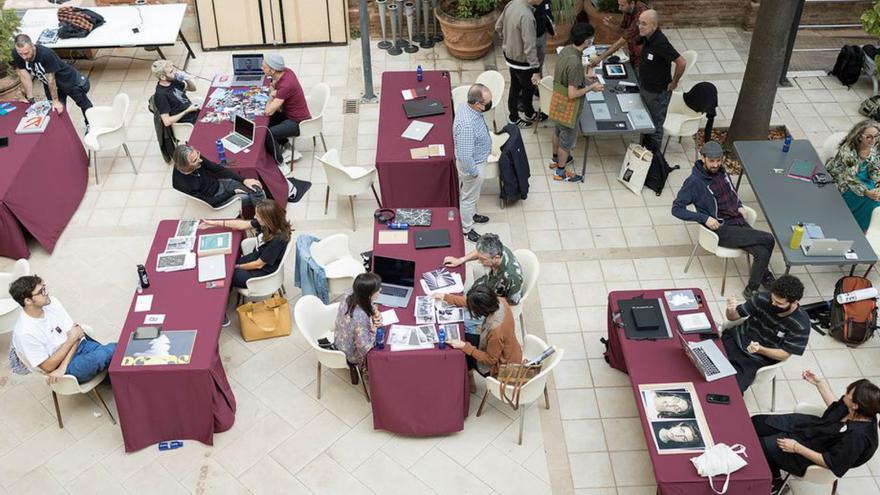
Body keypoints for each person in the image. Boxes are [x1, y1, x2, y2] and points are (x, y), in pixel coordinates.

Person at [672, 141, 776, 298]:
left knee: (762, 253)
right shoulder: (694, 182)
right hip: (721, 229)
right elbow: (676, 209)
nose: (716, 164)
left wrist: (739, 205)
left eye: (719, 160)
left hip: (737, 221)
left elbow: (731, 192)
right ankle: (763, 279)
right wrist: (704, 218)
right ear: (703, 158)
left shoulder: (722, 172)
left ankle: (752, 288)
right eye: (712, 161)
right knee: (768, 239)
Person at [752, 371, 879, 495]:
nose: (844, 394)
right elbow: (836, 408)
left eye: (847, 394)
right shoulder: (861, 411)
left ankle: (776, 480)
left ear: (856, 405)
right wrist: (818, 384)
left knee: (759, 446)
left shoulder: (858, 438)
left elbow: (831, 462)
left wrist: (796, 447)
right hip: (813, 428)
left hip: (814, 450)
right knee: (757, 423)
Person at [9, 276, 115, 383]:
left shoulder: (52, 302)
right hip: (63, 367)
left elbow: (77, 334)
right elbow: (48, 367)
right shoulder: (25, 333)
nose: (47, 293)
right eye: (41, 291)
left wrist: (63, 366)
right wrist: (64, 362)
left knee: (113, 355)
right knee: (111, 351)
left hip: (77, 348)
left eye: (44, 288)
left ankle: (114, 381)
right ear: (28, 300)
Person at [721, 275, 810, 393]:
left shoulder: (800, 325)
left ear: (794, 302)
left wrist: (760, 350)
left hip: (755, 359)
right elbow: (732, 317)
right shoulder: (761, 298)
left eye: (779, 303)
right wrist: (730, 310)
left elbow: (784, 354)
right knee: (700, 361)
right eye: (772, 299)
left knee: (730, 392)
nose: (773, 304)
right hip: (734, 339)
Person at [436, 284, 523, 392]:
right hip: (512, 351)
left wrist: (465, 346)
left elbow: (489, 360)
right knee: (466, 338)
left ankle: (468, 376)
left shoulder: (495, 332)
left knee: (464, 349)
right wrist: (446, 297)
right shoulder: (500, 301)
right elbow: (471, 303)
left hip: (501, 367)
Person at [549, 23, 603, 183]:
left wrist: (582, 78)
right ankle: (561, 171)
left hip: (557, 100)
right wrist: (591, 87)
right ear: (587, 41)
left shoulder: (566, 51)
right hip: (569, 107)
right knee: (566, 142)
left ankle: (554, 160)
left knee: (557, 131)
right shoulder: (575, 63)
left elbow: (566, 77)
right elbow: (573, 94)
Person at [200, 200, 292, 289]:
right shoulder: (268, 224)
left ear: (267, 219)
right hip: (254, 258)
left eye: (258, 216)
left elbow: (258, 264)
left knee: (228, 273)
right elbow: (242, 224)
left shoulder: (277, 241)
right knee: (226, 264)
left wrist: (236, 267)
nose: (255, 217)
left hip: (261, 272)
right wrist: (213, 224)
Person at [633, 10, 686, 152]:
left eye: (644, 24)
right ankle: (643, 149)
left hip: (657, 93)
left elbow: (681, 62)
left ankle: (654, 158)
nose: (640, 26)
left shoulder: (660, 43)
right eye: (639, 23)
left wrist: (674, 82)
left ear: (655, 26)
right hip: (645, 86)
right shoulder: (647, 37)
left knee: (655, 126)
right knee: (646, 121)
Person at [13, 34, 93, 127]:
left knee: (84, 104)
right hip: (48, 84)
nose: (24, 57)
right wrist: (29, 97)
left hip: (68, 80)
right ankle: (66, 131)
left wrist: (55, 100)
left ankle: (90, 124)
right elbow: (24, 75)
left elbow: (51, 79)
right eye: (20, 54)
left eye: (26, 53)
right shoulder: (17, 53)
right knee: (58, 110)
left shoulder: (45, 54)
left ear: (32, 46)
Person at [453, 83, 493, 243]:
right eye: (487, 102)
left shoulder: (465, 107)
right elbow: (464, 155)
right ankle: (466, 229)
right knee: (468, 198)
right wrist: (475, 172)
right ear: (477, 104)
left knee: (472, 195)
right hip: (473, 166)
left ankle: (471, 214)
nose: (490, 104)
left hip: (478, 160)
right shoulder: (467, 126)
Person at [496, 0, 546, 128]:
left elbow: (498, 26)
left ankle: (514, 117)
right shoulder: (527, 17)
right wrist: (536, 69)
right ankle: (528, 113)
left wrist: (509, 42)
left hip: (510, 57)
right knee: (527, 89)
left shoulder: (512, 3)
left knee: (515, 86)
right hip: (523, 63)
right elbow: (530, 46)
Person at [825, 120, 880, 231]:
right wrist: (867, 192)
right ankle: (856, 227)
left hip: (864, 178)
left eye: (876, 136)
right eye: (869, 137)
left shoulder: (874, 147)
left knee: (877, 197)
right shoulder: (848, 151)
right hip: (845, 180)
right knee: (871, 200)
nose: (873, 140)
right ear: (860, 137)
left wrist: (878, 183)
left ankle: (864, 226)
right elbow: (850, 178)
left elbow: (874, 169)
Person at [171, 144, 266, 208]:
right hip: (216, 199)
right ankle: (263, 221)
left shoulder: (195, 157)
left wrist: (244, 180)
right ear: (185, 165)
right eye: (195, 161)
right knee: (252, 197)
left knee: (256, 190)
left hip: (219, 184)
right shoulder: (183, 184)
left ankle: (263, 217)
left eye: (198, 155)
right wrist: (232, 192)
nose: (200, 160)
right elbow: (208, 203)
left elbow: (217, 168)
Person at [443, 233, 523, 305]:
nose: (479, 261)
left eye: (483, 259)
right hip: (486, 284)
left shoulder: (512, 278)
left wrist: (484, 300)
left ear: (496, 258)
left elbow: (513, 301)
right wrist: (460, 260)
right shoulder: (497, 249)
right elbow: (480, 252)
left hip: (492, 301)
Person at [262, 53, 311, 166]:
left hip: (297, 122)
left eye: (264, 67)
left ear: (273, 70)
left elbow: (268, 111)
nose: (262, 69)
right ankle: (286, 146)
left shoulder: (286, 86)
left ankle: (279, 161)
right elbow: (274, 83)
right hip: (289, 114)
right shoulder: (286, 72)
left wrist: (271, 96)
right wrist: (273, 88)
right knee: (267, 121)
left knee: (267, 133)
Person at [333, 273, 381, 375]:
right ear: (369, 294)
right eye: (377, 289)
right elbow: (364, 348)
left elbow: (367, 302)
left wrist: (374, 311)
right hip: (350, 353)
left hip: (340, 340)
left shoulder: (350, 294)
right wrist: (374, 331)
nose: (380, 290)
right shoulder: (360, 318)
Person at [588, 0, 649, 68]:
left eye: (622, 5)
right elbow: (622, 30)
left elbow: (622, 41)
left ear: (632, 3)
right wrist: (611, 24)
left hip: (644, 51)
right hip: (634, 50)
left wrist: (600, 58)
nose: (619, 8)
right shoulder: (629, 9)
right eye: (619, 5)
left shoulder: (641, 15)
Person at [151, 59, 200, 127]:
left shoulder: (173, 81)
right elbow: (167, 121)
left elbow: (193, 89)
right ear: (163, 77)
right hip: (187, 123)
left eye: (174, 70)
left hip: (194, 113)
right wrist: (187, 110)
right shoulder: (161, 95)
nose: (175, 72)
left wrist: (186, 78)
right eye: (171, 72)